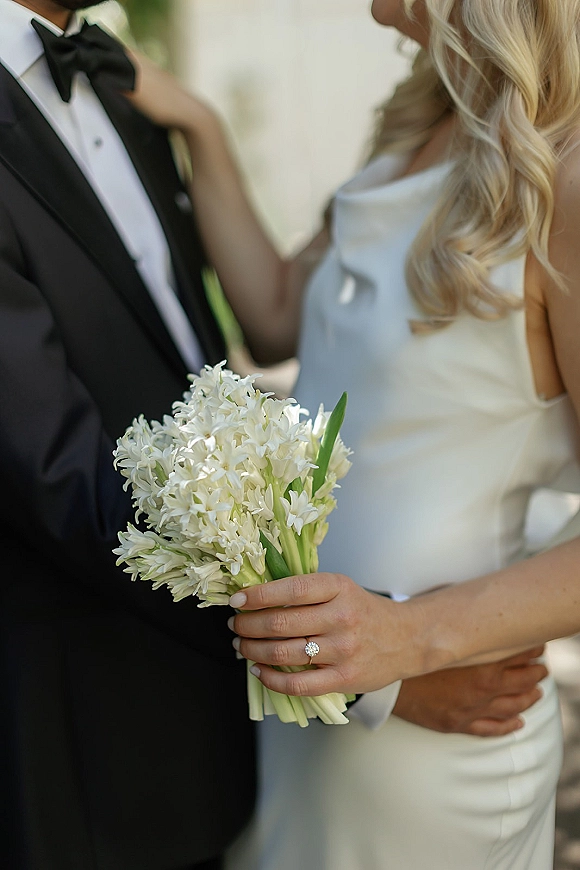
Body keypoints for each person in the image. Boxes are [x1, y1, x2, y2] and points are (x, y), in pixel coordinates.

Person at [127, 0, 580, 867]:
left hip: (440, 741)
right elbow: (274, 316)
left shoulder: (563, 167)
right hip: (306, 706)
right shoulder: (418, 127)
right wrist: (202, 127)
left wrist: (409, 644)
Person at [0, 1, 257, 868]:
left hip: (208, 718)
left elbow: (189, 355)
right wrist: (322, 644)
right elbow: (55, 470)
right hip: (89, 738)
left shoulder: (122, 88)